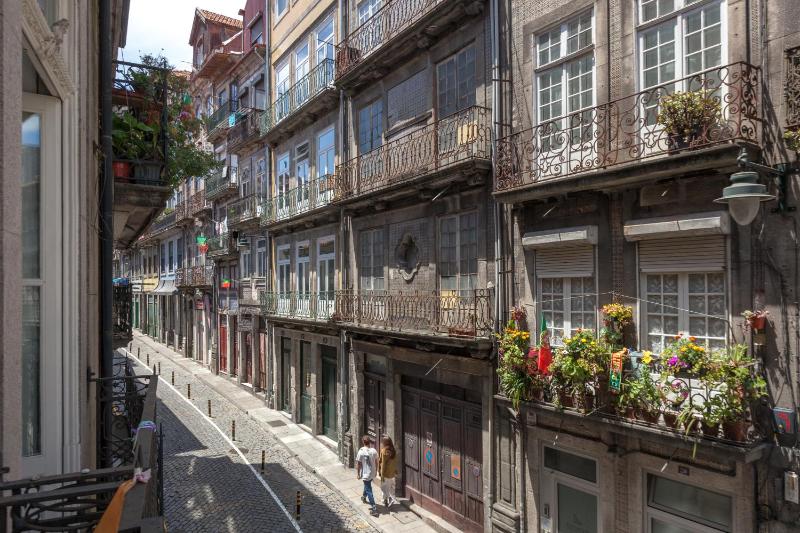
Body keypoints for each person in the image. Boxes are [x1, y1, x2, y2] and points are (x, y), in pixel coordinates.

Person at [356, 434, 379, 516]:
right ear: (370, 442)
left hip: (365, 474)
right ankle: (363, 497)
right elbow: (376, 462)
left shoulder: (361, 451)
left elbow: (358, 464)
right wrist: (376, 471)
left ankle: (374, 508)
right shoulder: (374, 451)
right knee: (367, 485)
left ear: (363, 442)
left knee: (369, 489)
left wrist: (358, 474)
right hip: (372, 472)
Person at [378, 436, 399, 509]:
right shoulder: (393, 450)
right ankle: (392, 499)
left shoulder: (384, 451)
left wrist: (382, 474)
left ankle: (386, 501)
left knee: (384, 488)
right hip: (392, 473)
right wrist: (395, 470)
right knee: (391, 487)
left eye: (382, 442)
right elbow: (395, 462)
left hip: (386, 473)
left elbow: (383, 464)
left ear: (385, 443)